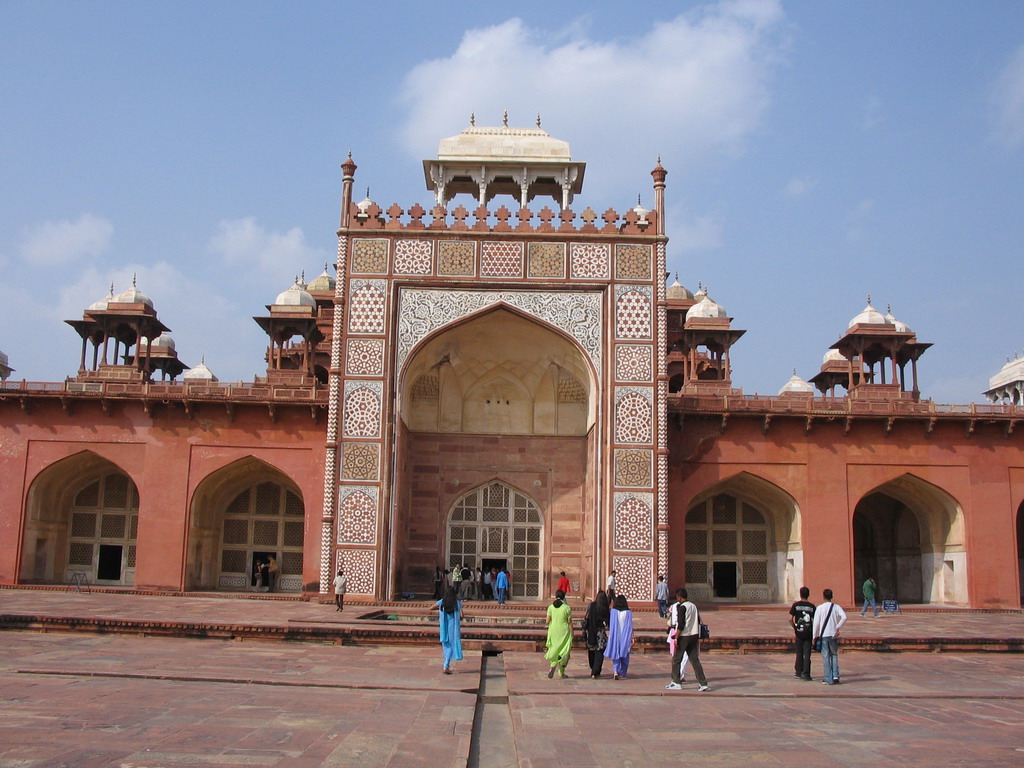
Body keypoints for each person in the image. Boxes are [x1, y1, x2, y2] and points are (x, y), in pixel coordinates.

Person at [665, 588, 709, 691]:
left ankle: (676, 682)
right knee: (694, 660)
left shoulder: (682, 607)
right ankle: (703, 683)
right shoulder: (693, 606)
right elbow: (698, 620)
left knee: (676, 660)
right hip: (694, 635)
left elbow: (681, 625)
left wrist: (676, 638)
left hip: (684, 636)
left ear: (679, 597)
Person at [812, 588, 848, 685]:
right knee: (834, 655)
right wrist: (837, 627)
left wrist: (814, 636)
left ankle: (828, 678)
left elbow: (816, 624)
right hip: (833, 635)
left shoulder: (820, 608)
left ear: (823, 596)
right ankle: (835, 676)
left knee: (826, 656)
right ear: (831, 596)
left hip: (824, 635)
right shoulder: (836, 607)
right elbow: (844, 617)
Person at [431, 586, 464, 674]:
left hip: (445, 627)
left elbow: (431, 607)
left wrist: (440, 611)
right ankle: (446, 665)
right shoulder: (457, 603)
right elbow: (462, 614)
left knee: (447, 646)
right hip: (453, 628)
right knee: (452, 646)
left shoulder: (442, 601)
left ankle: (446, 665)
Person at [544, 589, 573, 678]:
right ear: (564, 597)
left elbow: (547, 621)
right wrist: (572, 633)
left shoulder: (551, 607)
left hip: (553, 630)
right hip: (564, 631)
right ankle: (561, 672)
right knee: (564, 651)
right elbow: (569, 622)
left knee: (554, 649)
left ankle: (553, 665)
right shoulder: (567, 608)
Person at [604, 594, 634, 679]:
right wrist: (632, 637)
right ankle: (623, 672)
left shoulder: (613, 612)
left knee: (616, 653)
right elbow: (630, 626)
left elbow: (611, 625)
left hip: (615, 636)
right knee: (625, 654)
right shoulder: (628, 613)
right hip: (625, 637)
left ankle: (616, 671)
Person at [789, 586, 815, 680]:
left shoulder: (796, 605)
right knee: (807, 654)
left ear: (800, 594)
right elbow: (814, 621)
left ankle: (798, 672)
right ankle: (806, 673)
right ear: (808, 594)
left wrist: (795, 628)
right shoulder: (812, 607)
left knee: (799, 652)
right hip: (808, 633)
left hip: (799, 632)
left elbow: (790, 619)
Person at [583, 590, 610, 678]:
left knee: (591, 650)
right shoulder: (605, 608)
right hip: (600, 632)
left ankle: (593, 668)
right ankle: (595, 671)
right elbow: (607, 622)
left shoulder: (592, 605)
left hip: (591, 630)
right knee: (599, 651)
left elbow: (587, 617)